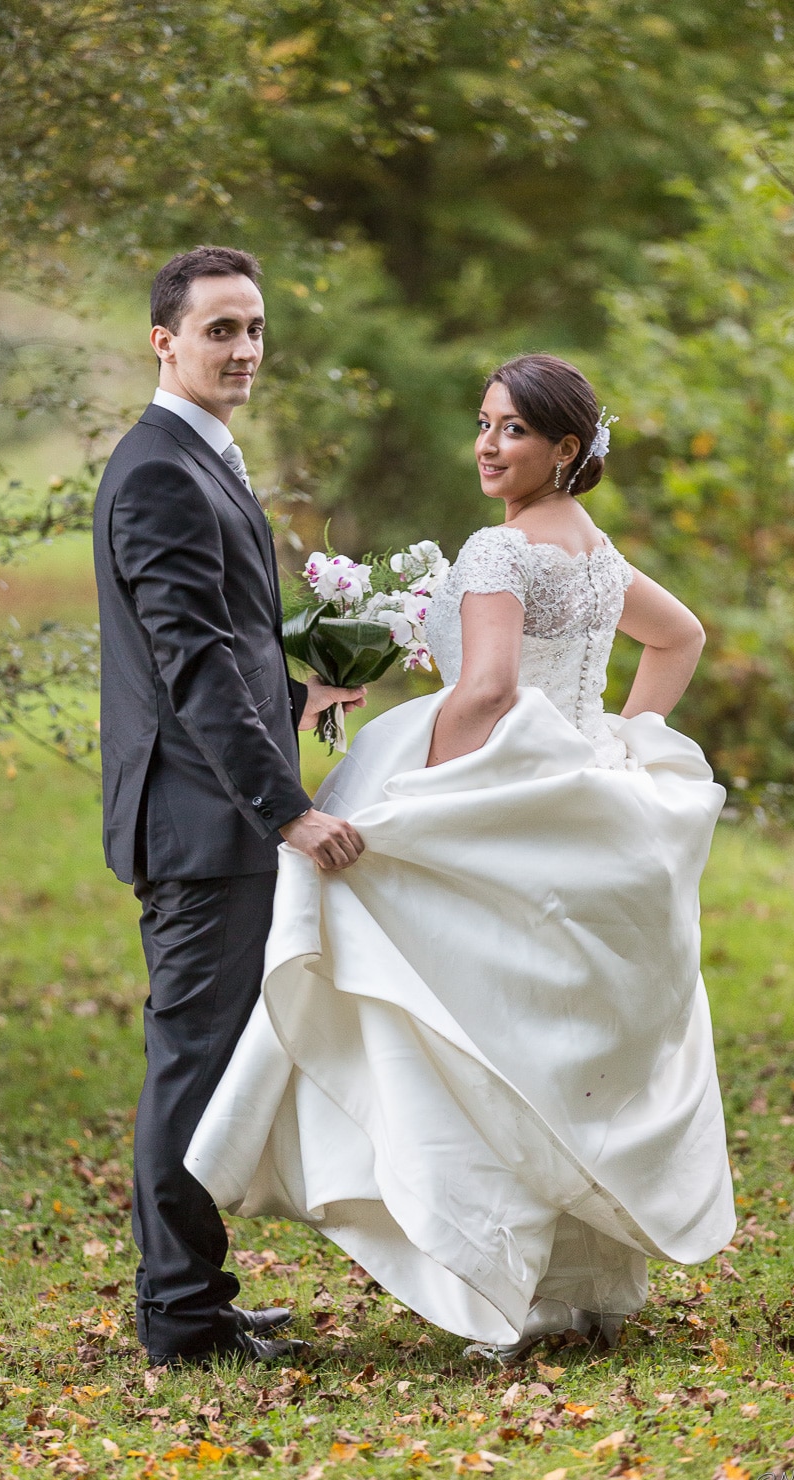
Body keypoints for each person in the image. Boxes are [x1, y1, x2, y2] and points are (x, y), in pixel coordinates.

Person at [186, 352, 735, 1360]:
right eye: (484, 423)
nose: (488, 444)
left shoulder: (499, 550)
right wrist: (616, 738)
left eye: (513, 429)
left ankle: (493, 1277)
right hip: (580, 799)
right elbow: (681, 638)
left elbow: (483, 692)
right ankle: (574, 1292)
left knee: (470, 1041)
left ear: (567, 448)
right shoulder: (598, 552)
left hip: (497, 789)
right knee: (541, 1039)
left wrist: (415, 800)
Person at [92, 245, 366, 1369]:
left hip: (209, 809)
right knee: (192, 1063)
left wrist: (304, 693)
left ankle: (194, 1298)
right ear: (164, 340)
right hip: (202, 826)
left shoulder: (197, 457)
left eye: (253, 329)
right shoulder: (159, 468)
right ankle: (181, 1319)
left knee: (201, 1057)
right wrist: (286, 811)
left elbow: (219, 647)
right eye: (219, 331)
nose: (243, 350)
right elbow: (192, 667)